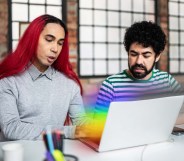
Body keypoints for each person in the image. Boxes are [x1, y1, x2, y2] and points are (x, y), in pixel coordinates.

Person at [0, 14, 87, 140]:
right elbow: (12, 128)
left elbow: (81, 123)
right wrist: (68, 132)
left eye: (60, 43)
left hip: (53, 155)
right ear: (33, 39)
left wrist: (100, 127)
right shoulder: (8, 82)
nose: (55, 49)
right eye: (49, 39)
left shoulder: (70, 85)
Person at [95, 21, 184, 124]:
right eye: (133, 54)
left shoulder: (167, 81)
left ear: (157, 56)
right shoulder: (111, 85)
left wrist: (160, 122)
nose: (138, 61)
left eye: (146, 55)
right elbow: (97, 125)